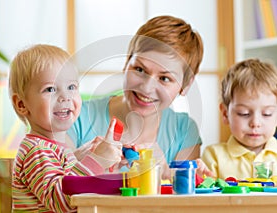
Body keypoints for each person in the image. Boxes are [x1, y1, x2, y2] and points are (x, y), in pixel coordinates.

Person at [68, 15, 212, 179]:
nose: (146, 87)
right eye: (140, 69)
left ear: (185, 85)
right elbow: (54, 187)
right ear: (126, 63)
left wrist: (166, 176)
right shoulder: (76, 116)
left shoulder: (184, 131)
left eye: (165, 78)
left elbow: (183, 200)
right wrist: (85, 160)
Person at [9, 44, 122, 212]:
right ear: (22, 104)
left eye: (71, 87)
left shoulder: (56, 149)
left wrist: (105, 159)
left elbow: (76, 180)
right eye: (50, 89)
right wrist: (96, 160)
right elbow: (63, 201)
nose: (65, 97)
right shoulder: (37, 151)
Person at [202, 58, 277, 180]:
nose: (255, 123)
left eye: (267, 114)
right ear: (225, 114)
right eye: (244, 113)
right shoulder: (214, 157)